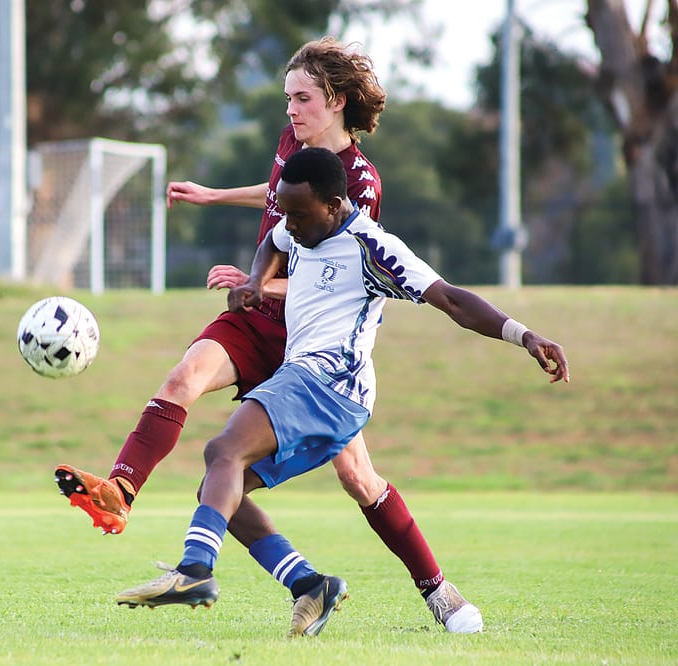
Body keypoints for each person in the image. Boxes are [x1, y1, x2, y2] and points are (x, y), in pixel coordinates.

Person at [58, 38, 472, 635]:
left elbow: (339, 278)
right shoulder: (292, 145)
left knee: (360, 480)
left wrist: (260, 286)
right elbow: (279, 195)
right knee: (185, 379)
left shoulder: (361, 183)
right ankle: (122, 488)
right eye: (287, 98)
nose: (291, 111)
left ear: (334, 101)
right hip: (257, 319)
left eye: (301, 99)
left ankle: (434, 591)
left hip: (315, 345)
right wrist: (215, 196)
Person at [114, 146, 570, 636]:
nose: (289, 224)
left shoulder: (372, 247)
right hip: (317, 389)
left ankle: (195, 571)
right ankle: (311, 585)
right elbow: (273, 242)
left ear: (335, 204)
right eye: (284, 211)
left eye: (300, 214)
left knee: (222, 450)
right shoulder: (298, 227)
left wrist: (524, 335)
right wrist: (254, 281)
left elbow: (453, 300)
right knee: (218, 490)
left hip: (327, 384)